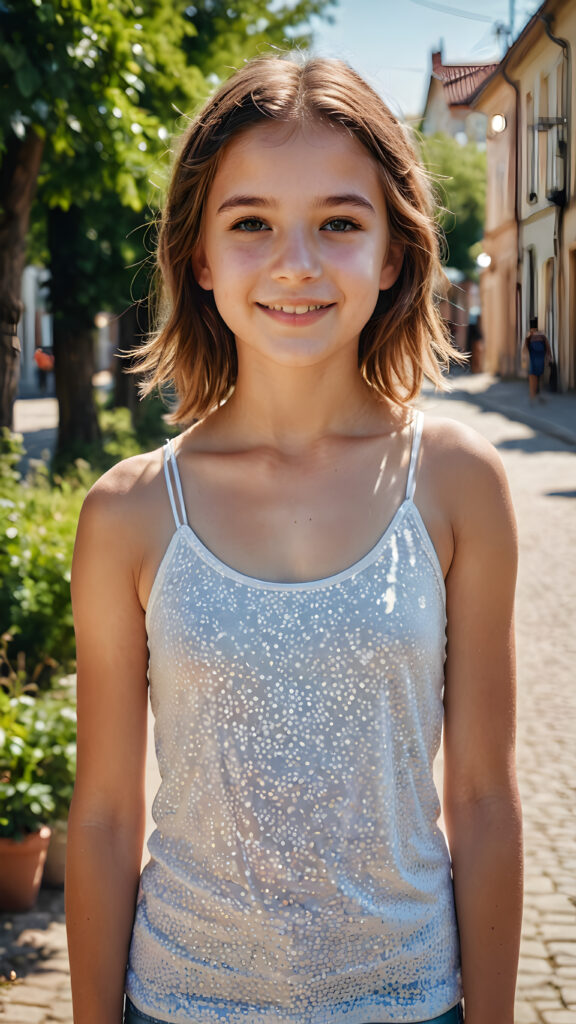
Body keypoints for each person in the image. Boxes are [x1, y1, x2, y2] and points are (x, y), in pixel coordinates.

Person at [66, 56, 523, 1024]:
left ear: (394, 252)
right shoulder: (131, 511)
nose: (297, 263)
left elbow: (483, 798)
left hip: (409, 1002)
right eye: (252, 224)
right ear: (199, 255)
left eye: (340, 223)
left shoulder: (456, 483)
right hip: (180, 1001)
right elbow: (105, 817)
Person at [523, 317, 552, 404]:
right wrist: (549, 355)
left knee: (534, 376)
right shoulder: (542, 336)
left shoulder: (530, 336)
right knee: (539, 376)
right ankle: (537, 394)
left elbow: (525, 348)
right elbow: (548, 347)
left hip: (535, 360)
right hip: (539, 359)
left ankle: (534, 394)